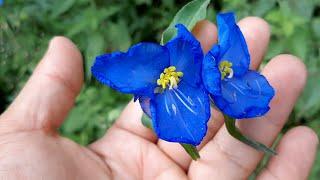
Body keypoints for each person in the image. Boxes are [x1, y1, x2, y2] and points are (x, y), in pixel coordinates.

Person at [0, 18, 318, 180]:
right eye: (167, 79)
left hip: (201, 72)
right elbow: (113, 68)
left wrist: (212, 70)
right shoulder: (154, 76)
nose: (170, 81)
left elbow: (191, 46)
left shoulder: (193, 57)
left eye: (170, 78)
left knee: (248, 88)